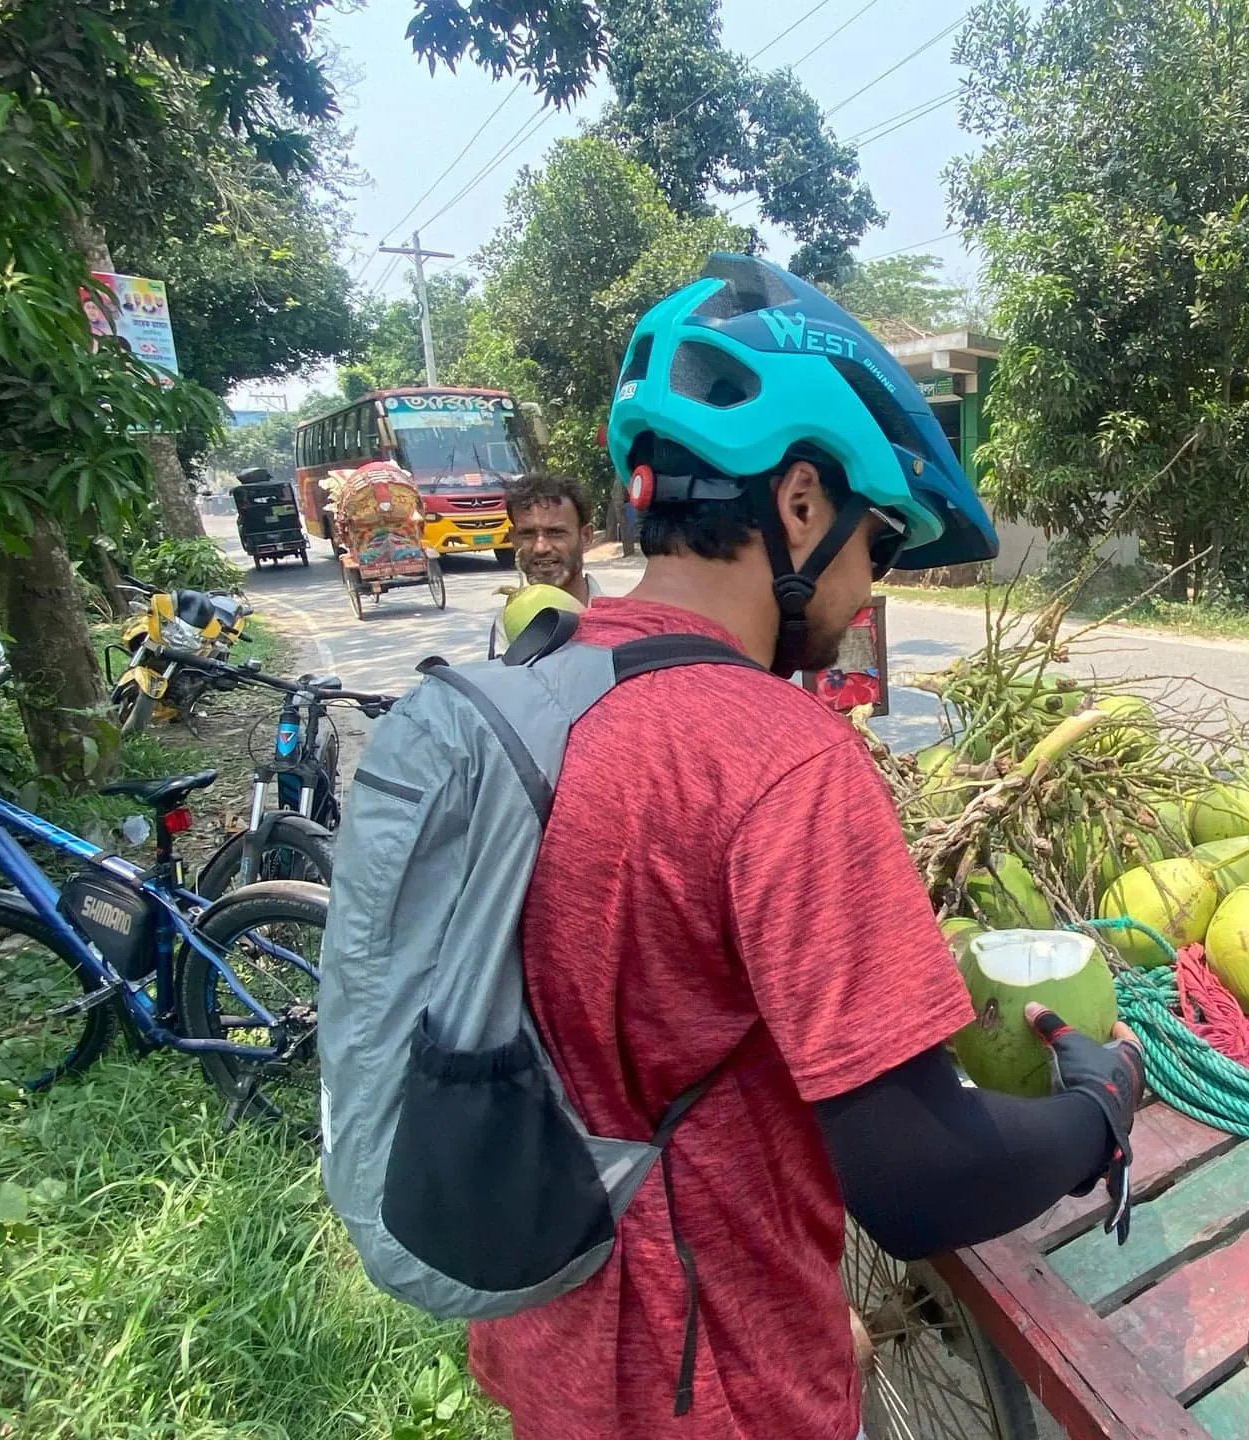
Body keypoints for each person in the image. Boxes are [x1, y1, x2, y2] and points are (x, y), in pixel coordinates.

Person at [466, 252, 1144, 1440]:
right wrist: (1099, 1112)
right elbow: (923, 1178)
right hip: (707, 1392)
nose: (871, 585)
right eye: (876, 541)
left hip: (551, 1331)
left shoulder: (534, 680)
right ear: (797, 504)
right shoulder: (774, 755)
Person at [488, 471, 602, 657]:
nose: (540, 547)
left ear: (586, 536)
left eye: (555, 532)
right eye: (527, 534)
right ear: (513, 539)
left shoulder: (621, 618)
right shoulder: (505, 625)